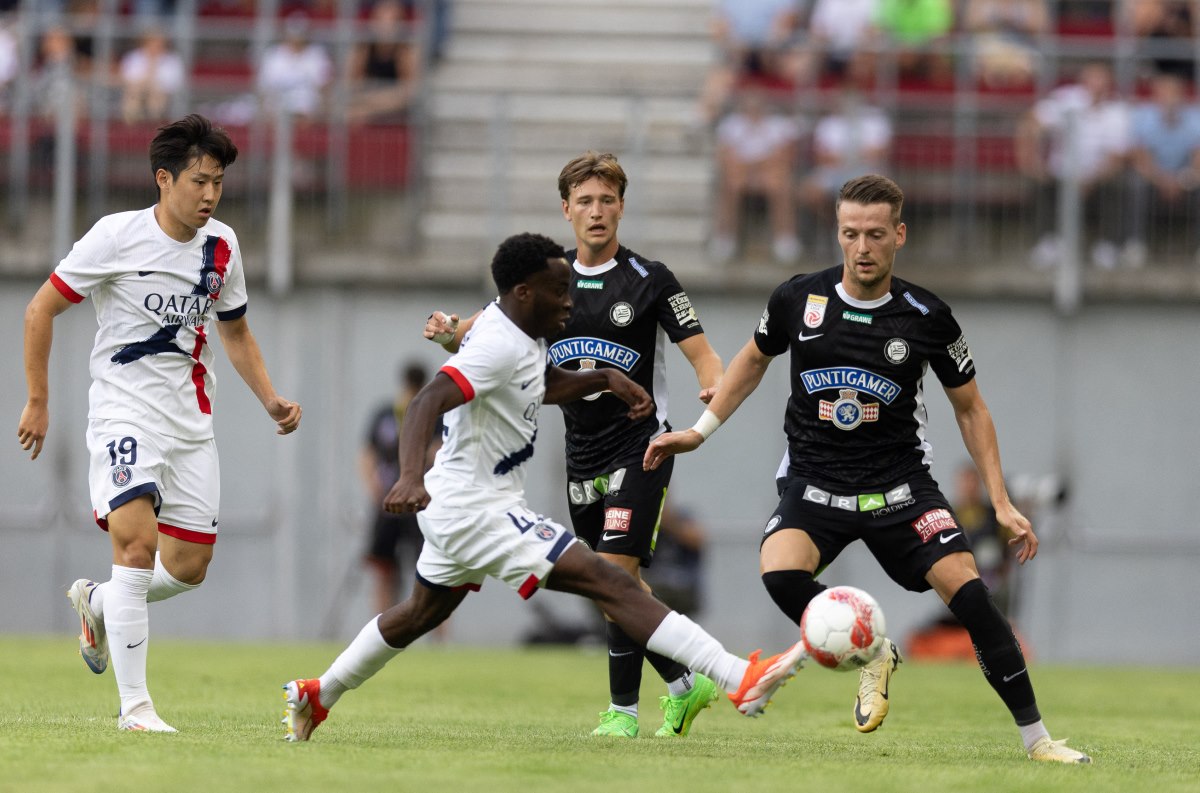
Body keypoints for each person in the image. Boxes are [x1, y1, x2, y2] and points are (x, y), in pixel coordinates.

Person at [281, 232, 804, 742]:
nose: (570, 302)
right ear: (524, 292)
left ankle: (318, 693)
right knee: (612, 582)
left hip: (464, 507)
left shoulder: (525, 337)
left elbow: (544, 383)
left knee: (420, 612)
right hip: (477, 509)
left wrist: (603, 378)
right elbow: (426, 402)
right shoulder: (495, 346)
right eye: (560, 291)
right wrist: (410, 475)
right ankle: (739, 678)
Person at [644, 174, 1092, 764]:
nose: (862, 247)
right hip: (814, 480)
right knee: (780, 574)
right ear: (838, 232)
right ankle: (875, 648)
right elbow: (753, 360)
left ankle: (1038, 741)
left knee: (976, 600)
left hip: (901, 488)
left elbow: (971, 409)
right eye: (850, 233)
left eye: (875, 234)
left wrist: (1001, 502)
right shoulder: (797, 299)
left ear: (899, 235)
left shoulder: (927, 316)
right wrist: (699, 434)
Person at [423, 152, 726, 739]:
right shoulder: (546, 277)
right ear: (566, 209)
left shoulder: (650, 280)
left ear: (621, 207)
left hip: (642, 446)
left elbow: (701, 349)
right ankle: (687, 683)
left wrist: (710, 381)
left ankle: (623, 712)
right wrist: (449, 332)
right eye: (584, 201)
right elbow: (482, 332)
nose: (596, 211)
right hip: (579, 450)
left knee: (612, 570)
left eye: (607, 200)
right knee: (609, 582)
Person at [17, 114, 303, 733]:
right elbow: (41, 308)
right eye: (199, 181)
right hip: (123, 411)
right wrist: (39, 400)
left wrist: (271, 399)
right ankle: (136, 709)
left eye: (219, 182)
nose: (210, 195)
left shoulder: (222, 247)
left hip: (191, 423)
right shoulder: (115, 238)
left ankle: (98, 601)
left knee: (189, 567)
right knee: (135, 545)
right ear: (163, 178)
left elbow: (237, 332)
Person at [1015, 61, 1134, 269]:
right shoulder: (1065, 100)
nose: (1096, 86)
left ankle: (1108, 245)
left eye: (1101, 81)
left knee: (1116, 186)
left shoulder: (1117, 111)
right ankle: (1049, 242)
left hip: (1098, 177)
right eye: (1093, 80)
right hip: (1061, 173)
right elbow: (1031, 123)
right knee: (1041, 183)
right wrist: (1032, 160)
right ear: (1083, 82)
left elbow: (1117, 156)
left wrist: (1091, 178)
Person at [359, 362, 442, 617]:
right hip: (388, 504)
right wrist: (373, 486)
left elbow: (440, 452)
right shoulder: (386, 414)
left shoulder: (433, 414)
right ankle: (380, 626)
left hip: (421, 505)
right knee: (384, 569)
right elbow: (367, 454)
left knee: (433, 571)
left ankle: (438, 639)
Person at [709, 86, 803, 264]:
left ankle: (785, 238)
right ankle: (725, 237)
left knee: (781, 184)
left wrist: (756, 167)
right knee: (730, 184)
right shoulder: (731, 124)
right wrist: (753, 168)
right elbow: (725, 157)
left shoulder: (779, 125)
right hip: (741, 175)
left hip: (770, 174)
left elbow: (786, 156)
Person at [1126, 69, 1200, 265]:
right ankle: (1135, 243)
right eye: (1164, 94)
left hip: (1186, 178)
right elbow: (1141, 157)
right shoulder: (1143, 115)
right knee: (1135, 185)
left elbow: (1197, 157)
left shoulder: (1195, 117)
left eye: (1173, 94)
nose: (1169, 99)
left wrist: (1183, 179)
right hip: (1153, 177)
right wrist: (1163, 180)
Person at [347, 0, 422, 124]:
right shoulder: (363, 48)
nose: (385, 26)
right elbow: (349, 86)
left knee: (356, 114)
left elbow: (409, 94)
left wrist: (369, 105)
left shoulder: (406, 51)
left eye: (391, 20)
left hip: (393, 112)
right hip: (365, 104)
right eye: (380, 20)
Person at [119, 27, 186, 124]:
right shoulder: (133, 56)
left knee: (156, 95)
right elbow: (127, 78)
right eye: (152, 42)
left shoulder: (172, 59)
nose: (155, 46)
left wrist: (153, 81)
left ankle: (153, 124)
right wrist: (147, 75)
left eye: (159, 43)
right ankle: (131, 125)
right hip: (138, 89)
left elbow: (175, 82)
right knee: (133, 94)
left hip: (162, 92)